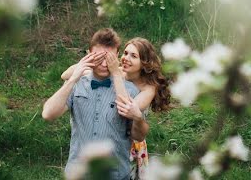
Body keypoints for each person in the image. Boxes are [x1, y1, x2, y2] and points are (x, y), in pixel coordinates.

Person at [42, 28, 148, 180]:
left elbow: (139, 135)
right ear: (88, 54)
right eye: (98, 57)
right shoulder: (76, 84)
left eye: (109, 58)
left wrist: (138, 118)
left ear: (117, 56)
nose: (104, 64)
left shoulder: (130, 90)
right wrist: (72, 79)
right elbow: (47, 114)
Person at [61, 37, 172, 180]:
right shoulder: (118, 71)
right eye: (125, 53)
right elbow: (65, 74)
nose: (126, 58)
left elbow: (125, 108)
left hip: (129, 139)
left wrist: (115, 74)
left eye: (133, 56)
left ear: (144, 62)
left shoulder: (148, 87)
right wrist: (88, 62)